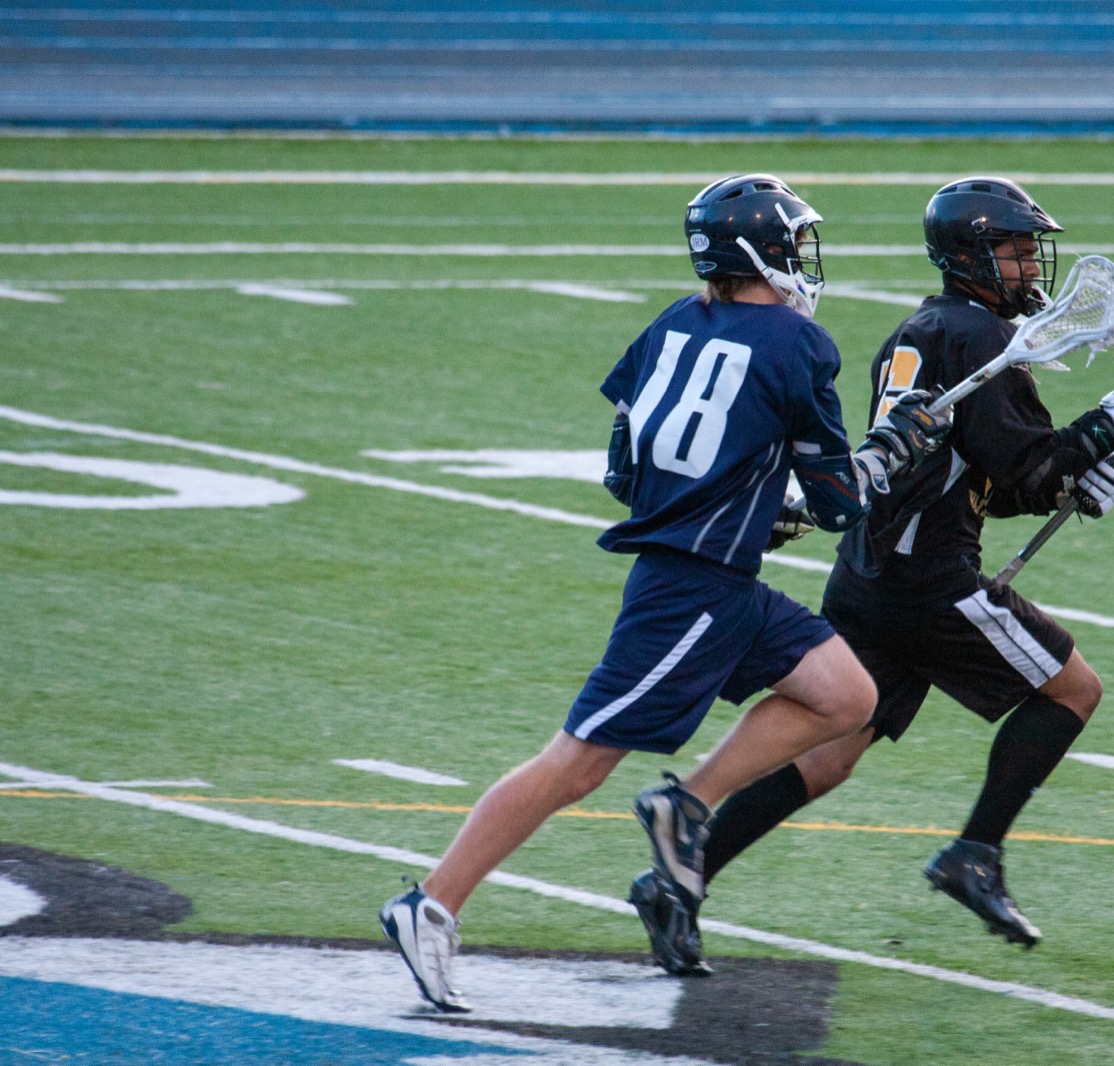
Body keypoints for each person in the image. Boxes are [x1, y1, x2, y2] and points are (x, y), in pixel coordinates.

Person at [379, 173, 953, 1011]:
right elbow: (839, 505)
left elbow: (625, 472)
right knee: (577, 762)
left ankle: (688, 806)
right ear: (760, 250)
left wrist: (750, 505)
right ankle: (431, 903)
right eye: (793, 242)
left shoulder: (670, 325)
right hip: (693, 590)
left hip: (714, 575)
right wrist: (889, 447)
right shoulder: (798, 345)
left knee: (844, 694)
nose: (803, 258)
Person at [632, 176, 1114, 974]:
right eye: (1011, 249)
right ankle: (975, 853)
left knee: (828, 756)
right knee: (1074, 691)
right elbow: (1023, 464)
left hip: (869, 568)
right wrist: (1113, 419)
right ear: (971, 254)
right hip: (928, 582)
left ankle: (682, 877)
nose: (1027, 265)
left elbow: (998, 481)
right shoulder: (979, 341)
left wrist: (1080, 473)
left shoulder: (925, 328)